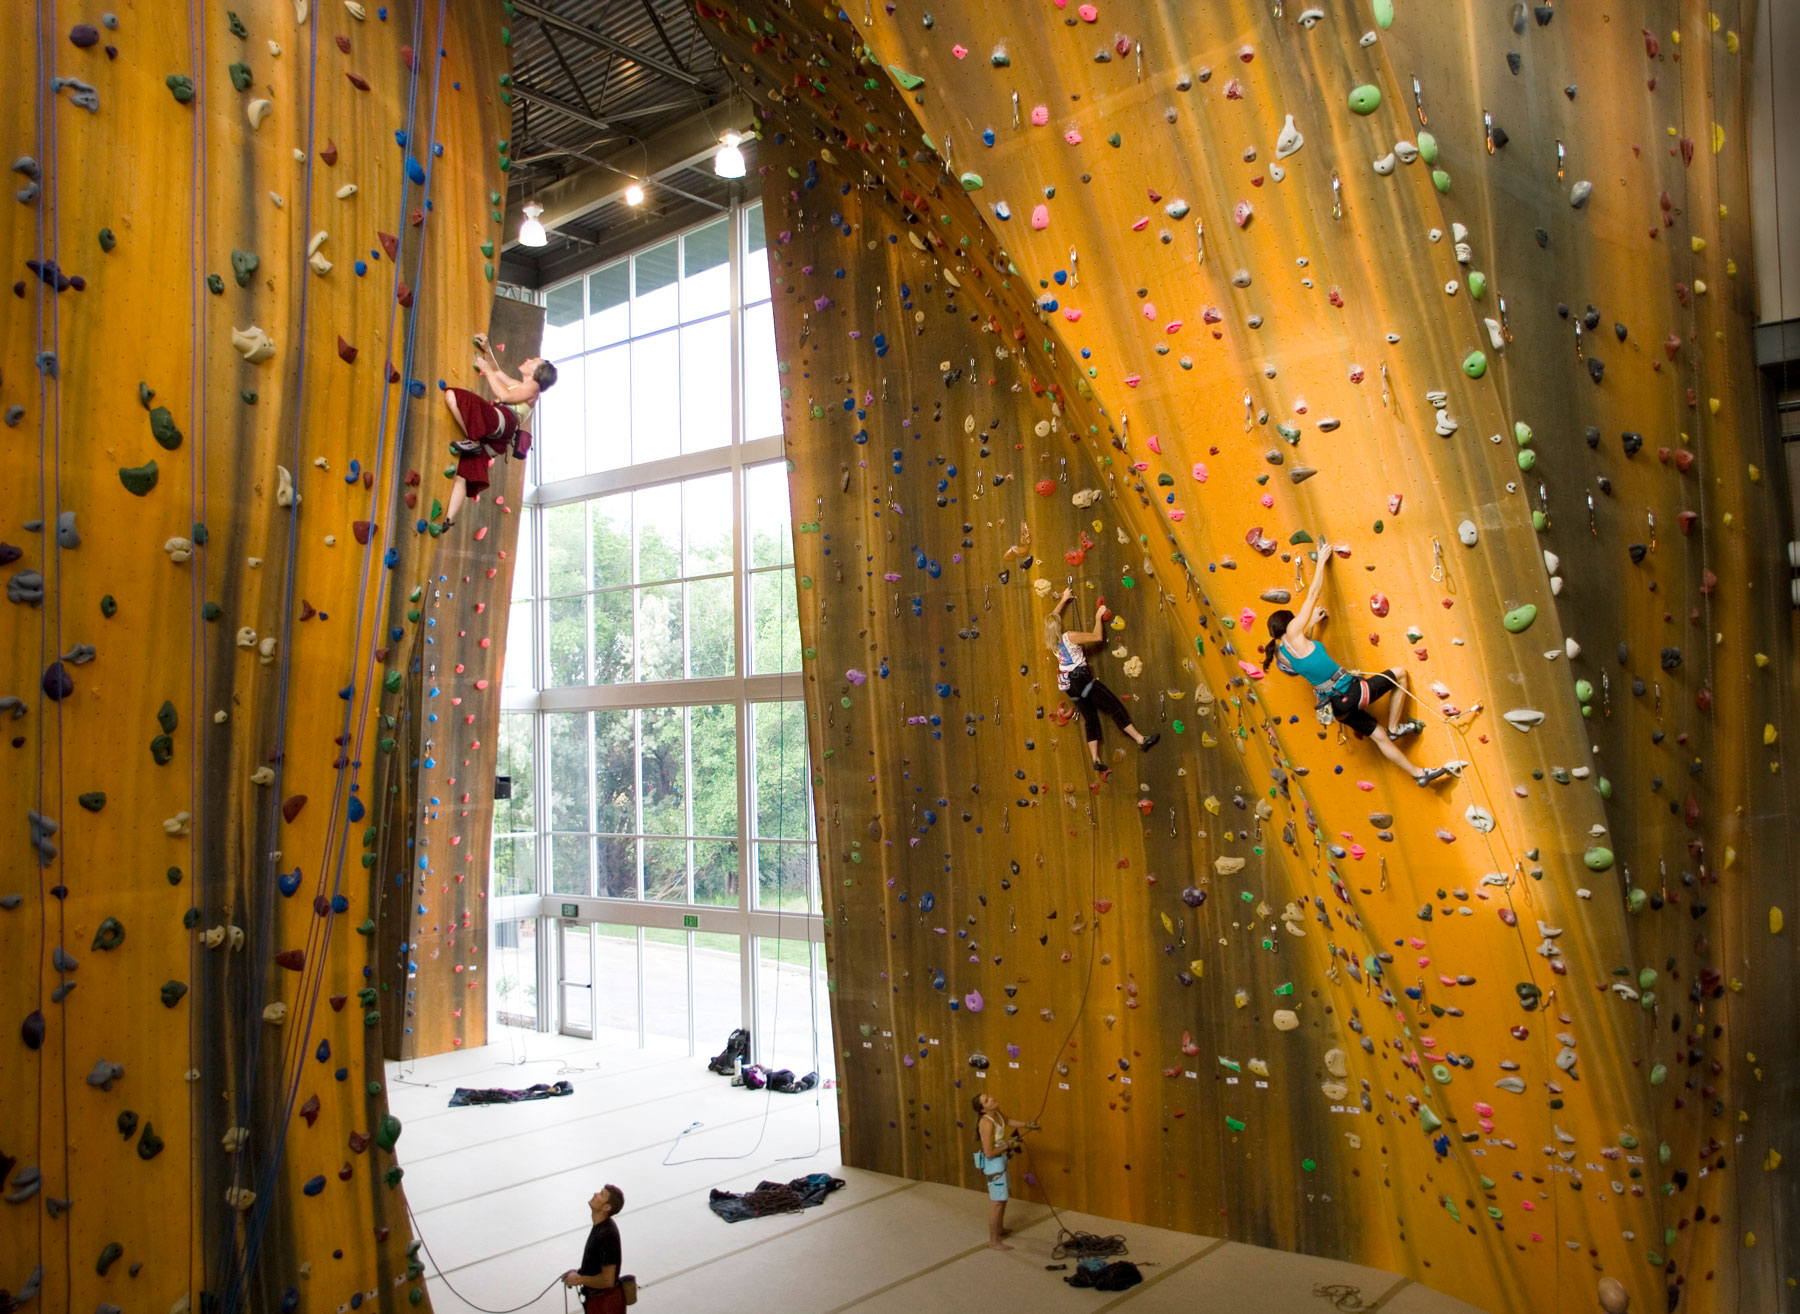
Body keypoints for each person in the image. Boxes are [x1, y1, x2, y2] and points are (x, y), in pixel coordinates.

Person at [1261, 540, 1450, 787]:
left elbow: (1308, 652)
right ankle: (1394, 727)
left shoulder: (1283, 653)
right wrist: (1321, 561)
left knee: (1379, 737)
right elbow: (1313, 593)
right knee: (1399, 674)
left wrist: (1313, 624)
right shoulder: (1295, 631)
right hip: (1349, 692)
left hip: (1337, 708)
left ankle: (1419, 774)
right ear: (1289, 623)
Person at [441, 335, 557, 529]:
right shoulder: (522, 386)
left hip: (501, 422)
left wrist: (486, 371)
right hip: (497, 435)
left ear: (538, 372)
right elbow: (497, 371)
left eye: (533, 361)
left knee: (453, 395)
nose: (528, 360)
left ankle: (473, 439)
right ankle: (448, 520)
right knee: (463, 473)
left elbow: (503, 394)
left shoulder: (533, 387)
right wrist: (487, 349)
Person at [1050, 587, 1160, 777]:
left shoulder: (1050, 641)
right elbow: (1097, 637)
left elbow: (1051, 618)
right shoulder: (1069, 637)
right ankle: (1140, 739)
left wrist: (1064, 599)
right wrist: (1098, 616)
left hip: (1069, 685)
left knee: (1090, 719)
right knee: (1113, 705)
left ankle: (1096, 760)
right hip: (1081, 678)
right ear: (1058, 625)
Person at [972, 1093, 1038, 1250]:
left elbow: (1007, 1121)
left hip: (1001, 1161)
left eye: (989, 1097)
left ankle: (1000, 1229)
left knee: (1003, 1197)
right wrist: (1009, 1145)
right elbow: (989, 1152)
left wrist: (1026, 1124)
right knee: (997, 1203)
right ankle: (993, 1241)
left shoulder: (996, 1113)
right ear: (983, 1109)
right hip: (994, 1165)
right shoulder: (986, 1123)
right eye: (987, 1100)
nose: (992, 1099)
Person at [562, 1184, 626, 1313]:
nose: (595, 1194)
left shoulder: (607, 1235)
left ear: (606, 1207)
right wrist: (579, 1273)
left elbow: (608, 1280)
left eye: (601, 1194)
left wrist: (580, 1279)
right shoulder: (601, 1227)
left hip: (604, 1306)